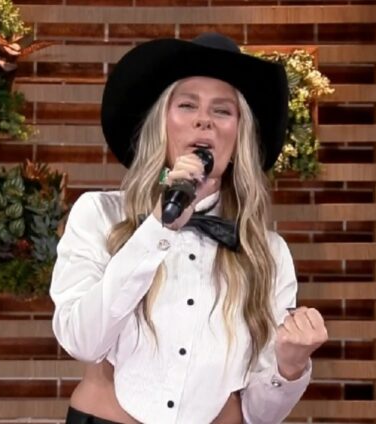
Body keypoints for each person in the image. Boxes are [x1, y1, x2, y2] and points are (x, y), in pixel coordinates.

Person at [50, 32, 328, 424]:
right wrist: (157, 229)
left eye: (222, 110)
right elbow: (82, 341)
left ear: (239, 138)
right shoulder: (99, 214)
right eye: (187, 105)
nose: (204, 120)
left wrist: (290, 366)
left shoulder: (268, 252)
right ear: (161, 125)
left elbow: (260, 414)